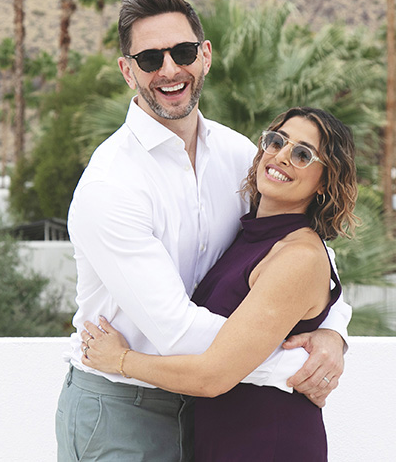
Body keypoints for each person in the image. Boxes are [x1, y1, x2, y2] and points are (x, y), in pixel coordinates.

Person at [55, 0, 351, 462]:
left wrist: (333, 331)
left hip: (211, 411)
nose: (170, 70)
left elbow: (308, 254)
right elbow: (174, 330)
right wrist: (290, 367)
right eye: (150, 58)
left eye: (183, 52)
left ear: (205, 56)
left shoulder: (241, 156)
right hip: (124, 406)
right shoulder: (110, 184)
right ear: (128, 71)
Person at [80, 107, 358, 461]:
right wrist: (333, 333)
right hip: (223, 436)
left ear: (324, 182)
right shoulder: (251, 234)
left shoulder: (298, 255)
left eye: (303, 154)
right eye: (277, 141)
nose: (282, 156)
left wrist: (120, 359)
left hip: (267, 441)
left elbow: (212, 376)